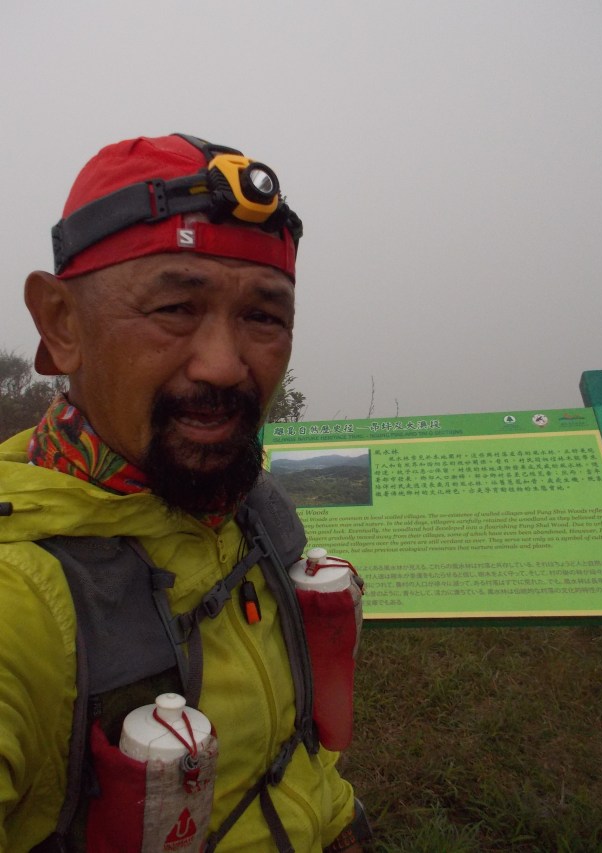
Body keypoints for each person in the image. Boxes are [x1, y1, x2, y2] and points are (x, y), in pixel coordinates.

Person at [0, 134, 371, 852]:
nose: (225, 366)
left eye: (264, 316)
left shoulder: (252, 509)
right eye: (174, 307)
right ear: (62, 324)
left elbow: (297, 755)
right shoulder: (22, 599)